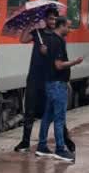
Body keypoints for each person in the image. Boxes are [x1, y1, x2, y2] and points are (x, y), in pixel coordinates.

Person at [35, 17, 82, 162]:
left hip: (50, 83)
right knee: (59, 118)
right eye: (68, 27)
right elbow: (59, 65)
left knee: (47, 117)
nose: (70, 29)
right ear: (61, 26)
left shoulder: (49, 40)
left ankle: (42, 146)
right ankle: (60, 149)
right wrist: (75, 62)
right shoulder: (58, 41)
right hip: (57, 84)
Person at [14, 7, 59, 152]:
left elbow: (59, 58)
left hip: (48, 78)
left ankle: (43, 143)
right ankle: (25, 141)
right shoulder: (37, 33)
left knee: (47, 111)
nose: (53, 21)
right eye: (50, 18)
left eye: (55, 19)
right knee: (29, 110)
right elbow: (23, 39)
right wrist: (30, 23)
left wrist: (48, 52)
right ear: (45, 20)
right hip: (34, 77)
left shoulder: (57, 37)